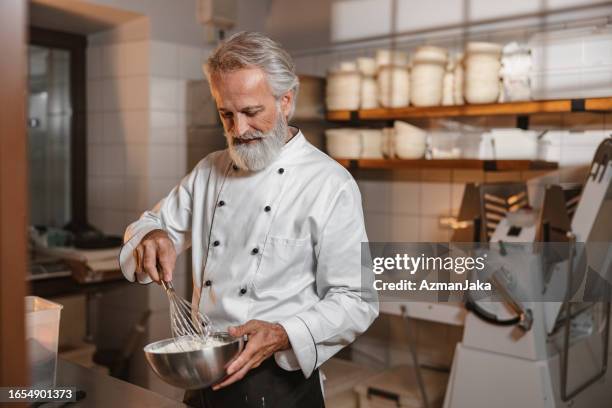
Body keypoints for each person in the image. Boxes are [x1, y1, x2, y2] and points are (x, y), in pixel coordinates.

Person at [119, 31, 378, 408]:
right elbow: (147, 226)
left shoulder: (329, 183)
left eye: (251, 113)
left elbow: (357, 299)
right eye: (226, 114)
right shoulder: (209, 171)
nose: (238, 130)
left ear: (285, 101)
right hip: (204, 372)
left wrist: (282, 332)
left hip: (281, 385)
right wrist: (151, 235)